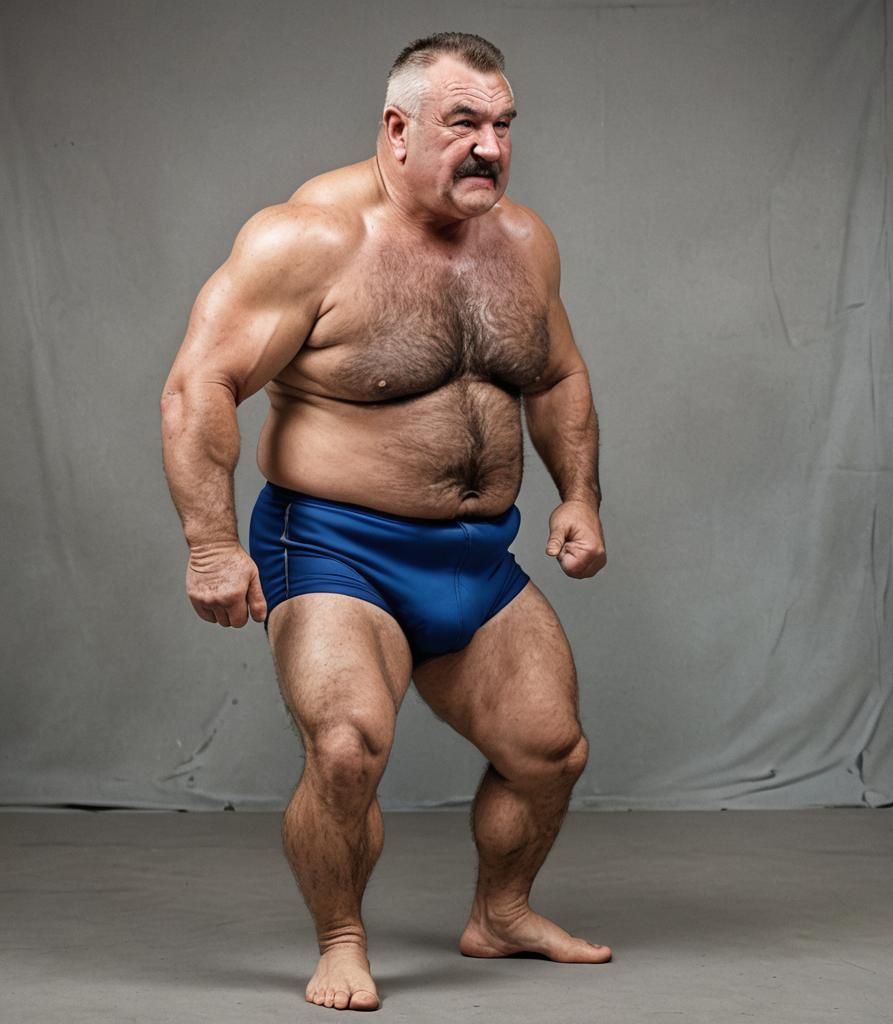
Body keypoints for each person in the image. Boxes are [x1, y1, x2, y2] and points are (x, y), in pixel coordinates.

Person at [160, 31, 609, 1012]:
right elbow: (201, 385)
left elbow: (559, 374)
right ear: (397, 131)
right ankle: (341, 935)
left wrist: (578, 492)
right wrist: (210, 542)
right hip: (334, 545)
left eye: (502, 125)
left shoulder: (522, 242)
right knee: (348, 747)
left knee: (551, 751)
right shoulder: (307, 240)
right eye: (464, 124)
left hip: (473, 555)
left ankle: (500, 913)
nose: (490, 146)